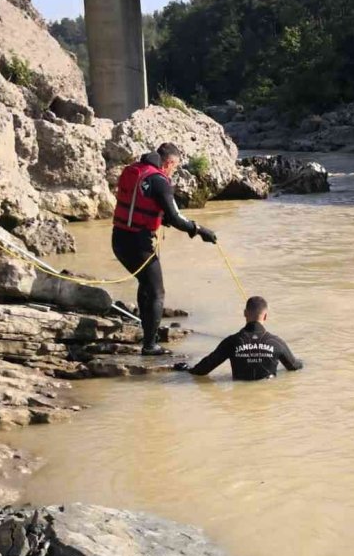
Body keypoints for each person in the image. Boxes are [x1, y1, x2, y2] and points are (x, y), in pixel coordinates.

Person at [112, 141, 218, 356]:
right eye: (175, 167)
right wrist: (199, 230)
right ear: (168, 162)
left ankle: (146, 334)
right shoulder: (160, 181)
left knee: (146, 285)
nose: (174, 171)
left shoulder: (135, 171)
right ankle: (150, 346)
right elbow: (175, 218)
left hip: (119, 239)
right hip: (138, 243)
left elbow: (144, 205)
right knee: (156, 292)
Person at [175, 295, 303, 381]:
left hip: (240, 402)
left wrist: (185, 370)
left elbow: (203, 369)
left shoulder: (232, 342)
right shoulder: (276, 343)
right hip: (266, 399)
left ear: (245, 313)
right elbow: (295, 367)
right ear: (265, 316)